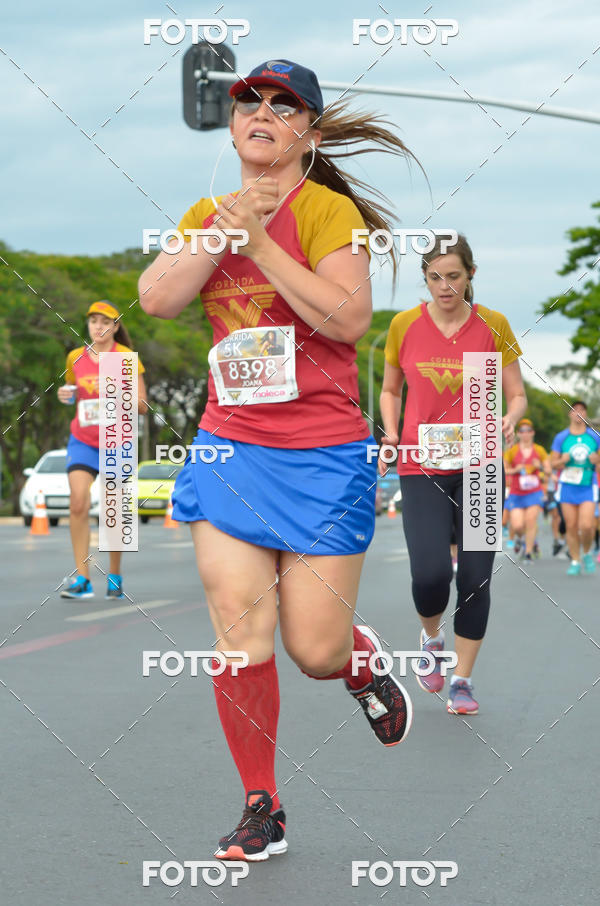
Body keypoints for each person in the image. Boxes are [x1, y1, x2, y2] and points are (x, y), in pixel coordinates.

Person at [139, 59, 420, 862]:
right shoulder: (206, 211)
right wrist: (222, 231)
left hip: (324, 455)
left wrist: (260, 242)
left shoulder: (329, 214)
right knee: (242, 633)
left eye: (283, 104)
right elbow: (157, 298)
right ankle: (261, 804)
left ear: (310, 132)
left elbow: (349, 318)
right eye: (249, 103)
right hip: (230, 450)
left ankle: (359, 658)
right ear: (232, 128)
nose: (262, 112)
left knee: (314, 651)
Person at [379, 234, 527, 716]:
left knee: (476, 579)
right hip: (420, 464)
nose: (445, 286)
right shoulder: (404, 325)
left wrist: (508, 416)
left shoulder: (493, 325)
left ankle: (462, 680)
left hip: (481, 466)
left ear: (471, 275)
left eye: (455, 276)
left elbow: (517, 393)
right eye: (435, 277)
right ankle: (431, 638)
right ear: (425, 278)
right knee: (431, 574)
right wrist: (391, 432)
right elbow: (390, 391)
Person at [58, 301, 147, 599]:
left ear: (116, 326)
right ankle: (82, 579)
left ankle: (115, 574)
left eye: (104, 321)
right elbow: (74, 394)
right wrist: (65, 396)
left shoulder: (126, 358)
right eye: (93, 321)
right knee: (78, 503)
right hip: (82, 440)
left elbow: (143, 406)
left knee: (113, 512)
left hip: (117, 441)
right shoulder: (76, 357)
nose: (98, 326)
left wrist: (121, 395)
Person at [551, 401, 600, 575]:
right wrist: (561, 461)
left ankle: (586, 552)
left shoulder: (594, 436)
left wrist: (597, 460)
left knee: (586, 525)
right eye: (575, 410)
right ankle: (575, 560)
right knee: (571, 526)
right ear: (570, 414)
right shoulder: (561, 437)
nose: (578, 413)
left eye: (582, 410)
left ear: (586, 415)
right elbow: (552, 463)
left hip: (587, 484)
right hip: (567, 485)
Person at [503, 419, 550, 561]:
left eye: (528, 430)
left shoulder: (539, 450)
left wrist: (540, 466)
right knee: (517, 526)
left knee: (530, 520)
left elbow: (548, 470)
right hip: (516, 493)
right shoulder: (512, 451)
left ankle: (528, 552)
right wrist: (515, 470)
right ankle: (525, 539)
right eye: (522, 431)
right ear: (518, 433)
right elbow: (504, 470)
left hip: (534, 492)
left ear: (533, 433)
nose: (525, 433)